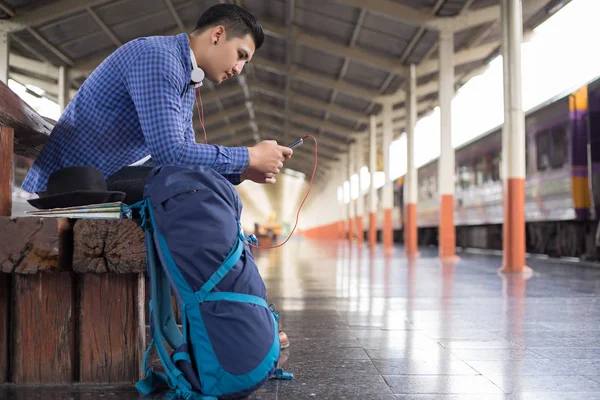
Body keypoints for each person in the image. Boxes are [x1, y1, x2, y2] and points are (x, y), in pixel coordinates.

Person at [21, 3, 291, 349]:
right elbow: (172, 154)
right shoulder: (157, 58)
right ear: (217, 34)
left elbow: (183, 160)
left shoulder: (183, 76)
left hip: (100, 183)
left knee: (203, 191)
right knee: (197, 197)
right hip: (75, 188)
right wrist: (248, 155)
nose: (239, 68)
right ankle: (234, 319)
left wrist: (242, 171)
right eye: (240, 55)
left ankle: (236, 314)